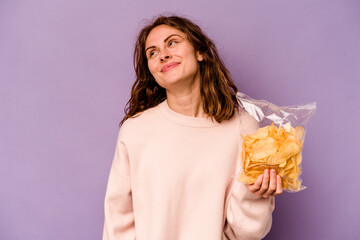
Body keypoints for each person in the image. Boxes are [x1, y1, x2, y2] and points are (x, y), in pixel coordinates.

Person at [102, 15, 283, 240]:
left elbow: (246, 232)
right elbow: (117, 223)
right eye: (152, 52)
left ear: (200, 52)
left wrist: (255, 195)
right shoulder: (135, 130)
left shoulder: (242, 126)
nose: (163, 55)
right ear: (151, 71)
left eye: (172, 42)